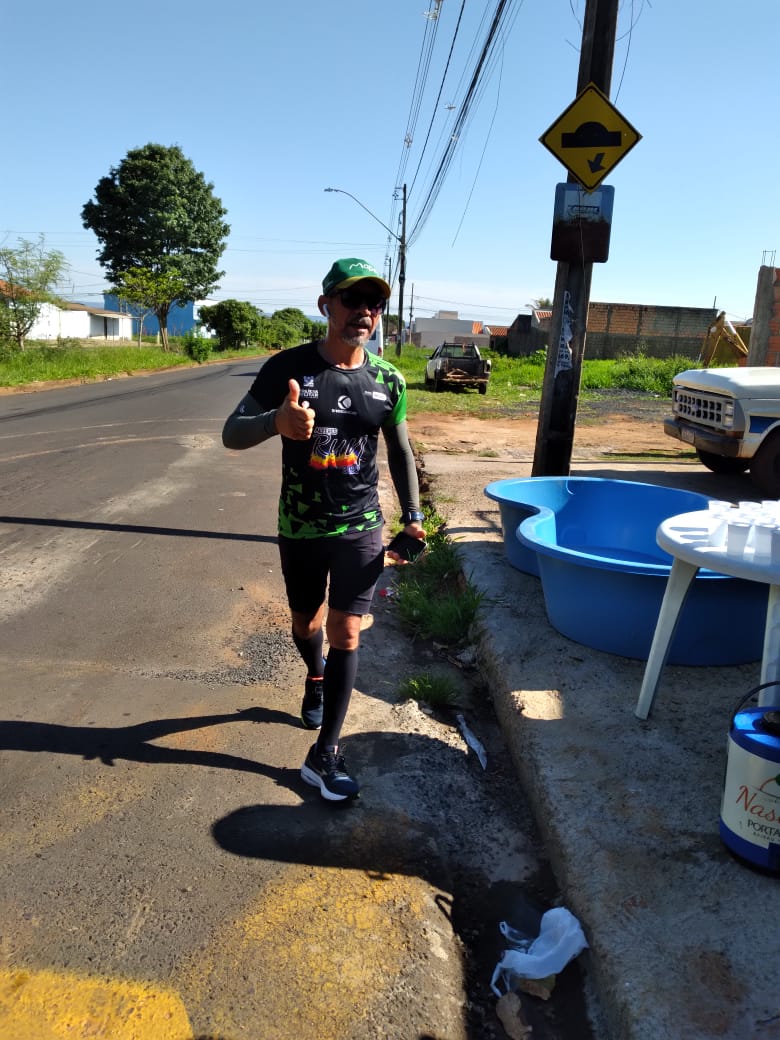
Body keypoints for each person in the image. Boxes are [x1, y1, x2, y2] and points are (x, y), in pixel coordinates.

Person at [222, 258, 425, 802]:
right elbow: (231, 433)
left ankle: (325, 753)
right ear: (326, 306)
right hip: (301, 525)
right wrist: (276, 422)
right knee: (305, 623)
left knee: (347, 632)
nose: (364, 312)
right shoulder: (287, 368)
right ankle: (315, 674)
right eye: (351, 300)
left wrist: (413, 517)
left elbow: (401, 451)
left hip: (361, 526)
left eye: (374, 303)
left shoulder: (388, 379)